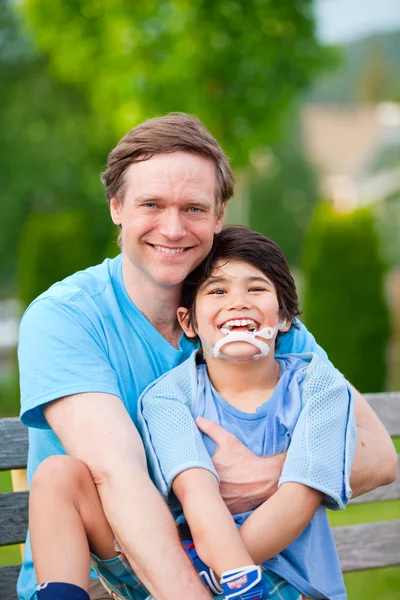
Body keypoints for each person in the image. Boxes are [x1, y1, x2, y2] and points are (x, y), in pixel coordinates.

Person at [18, 114, 397, 600]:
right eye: (151, 204)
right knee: (63, 474)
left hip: (245, 568)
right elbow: (117, 474)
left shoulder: (256, 324)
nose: (172, 229)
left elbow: (378, 456)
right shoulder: (66, 318)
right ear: (116, 207)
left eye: (194, 208)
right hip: (108, 575)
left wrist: (274, 471)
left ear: (220, 216)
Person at [137, 225, 355, 600]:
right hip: (212, 576)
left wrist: (227, 580)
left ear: (285, 318)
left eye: (256, 289)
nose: (238, 301)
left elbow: (300, 497)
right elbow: (196, 494)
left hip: (293, 587)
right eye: (218, 290)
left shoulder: (320, 386)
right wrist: (234, 577)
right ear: (188, 322)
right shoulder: (168, 398)